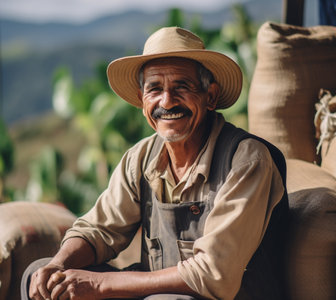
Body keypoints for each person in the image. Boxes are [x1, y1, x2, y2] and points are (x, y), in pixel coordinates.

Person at [22, 26, 288, 300]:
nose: (167, 101)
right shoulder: (141, 158)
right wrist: (59, 264)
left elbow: (211, 273)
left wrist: (99, 284)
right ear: (141, 100)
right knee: (41, 275)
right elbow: (98, 230)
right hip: (155, 295)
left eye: (182, 86)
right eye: (155, 89)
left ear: (210, 97)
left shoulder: (246, 159)